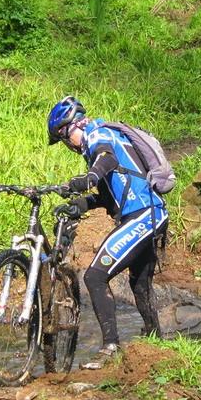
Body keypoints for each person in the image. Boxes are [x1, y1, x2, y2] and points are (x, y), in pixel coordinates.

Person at [47, 96, 169, 367]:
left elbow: (106, 158)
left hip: (143, 217)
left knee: (94, 276)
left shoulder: (97, 135)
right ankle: (156, 345)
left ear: (72, 127)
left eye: (64, 138)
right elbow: (109, 195)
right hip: (151, 215)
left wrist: (89, 177)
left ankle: (110, 347)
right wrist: (82, 203)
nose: (67, 145)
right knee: (140, 285)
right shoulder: (104, 138)